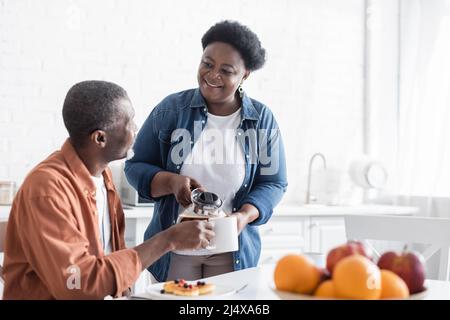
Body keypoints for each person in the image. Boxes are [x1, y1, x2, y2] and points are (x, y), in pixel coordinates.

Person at [2, 81, 214, 299]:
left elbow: (111, 257)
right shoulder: (46, 190)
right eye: (128, 122)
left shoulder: (103, 177)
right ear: (100, 138)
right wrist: (167, 240)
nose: (136, 128)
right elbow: (77, 285)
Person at [125, 20, 288, 282]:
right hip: (175, 248)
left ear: (245, 75)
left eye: (227, 70)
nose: (213, 75)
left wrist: (242, 217)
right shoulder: (170, 111)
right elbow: (135, 166)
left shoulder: (261, 120)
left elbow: (274, 183)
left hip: (231, 250)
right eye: (207, 64)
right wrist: (171, 181)